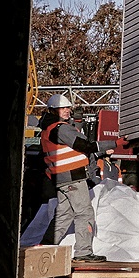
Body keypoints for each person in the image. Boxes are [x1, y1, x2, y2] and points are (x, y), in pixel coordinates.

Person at [41, 93, 99, 260]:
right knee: (84, 213)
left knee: (64, 215)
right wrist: (111, 144)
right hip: (73, 177)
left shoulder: (47, 129)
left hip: (61, 179)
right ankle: (84, 253)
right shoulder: (60, 128)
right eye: (63, 108)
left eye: (68, 107)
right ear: (53, 110)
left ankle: (44, 248)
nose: (67, 110)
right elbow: (84, 145)